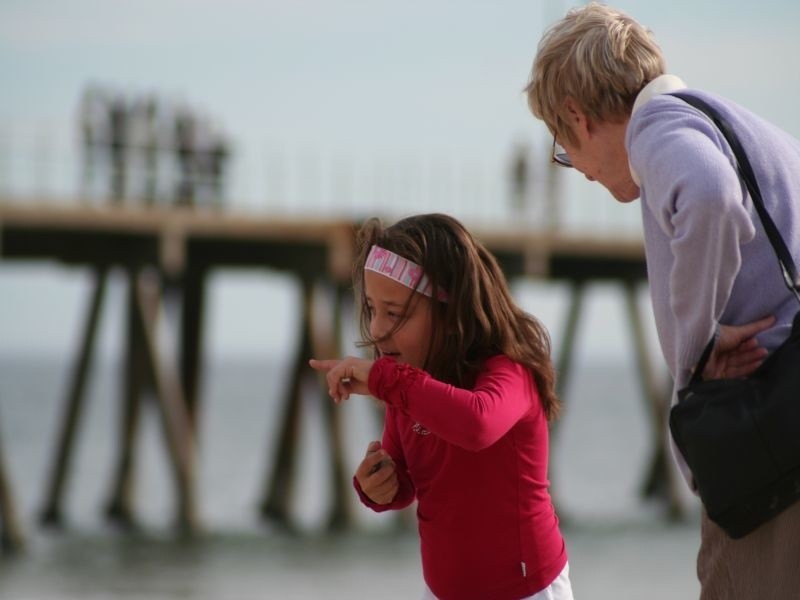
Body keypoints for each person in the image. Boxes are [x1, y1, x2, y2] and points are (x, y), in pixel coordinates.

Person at [525, 3, 800, 598]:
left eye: (564, 149)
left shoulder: (660, 132)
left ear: (577, 117)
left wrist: (697, 351)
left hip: (771, 448)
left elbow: (708, 196)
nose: (582, 171)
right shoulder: (744, 127)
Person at [310, 213, 573, 600]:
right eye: (371, 309)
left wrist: (387, 380)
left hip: (527, 590)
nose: (378, 329)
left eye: (395, 313)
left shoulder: (509, 370)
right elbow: (409, 479)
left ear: (451, 312)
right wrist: (381, 484)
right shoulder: (409, 384)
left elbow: (477, 424)